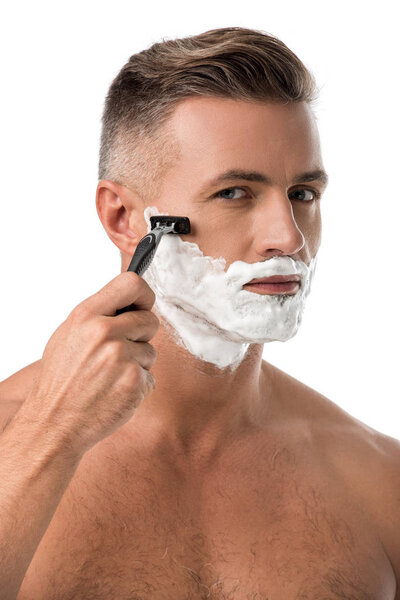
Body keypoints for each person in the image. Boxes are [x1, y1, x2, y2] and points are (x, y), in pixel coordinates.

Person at [0, 26, 399, 600]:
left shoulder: (380, 481)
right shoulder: (17, 439)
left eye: (304, 194)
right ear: (123, 218)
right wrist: (49, 439)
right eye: (235, 192)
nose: (287, 238)